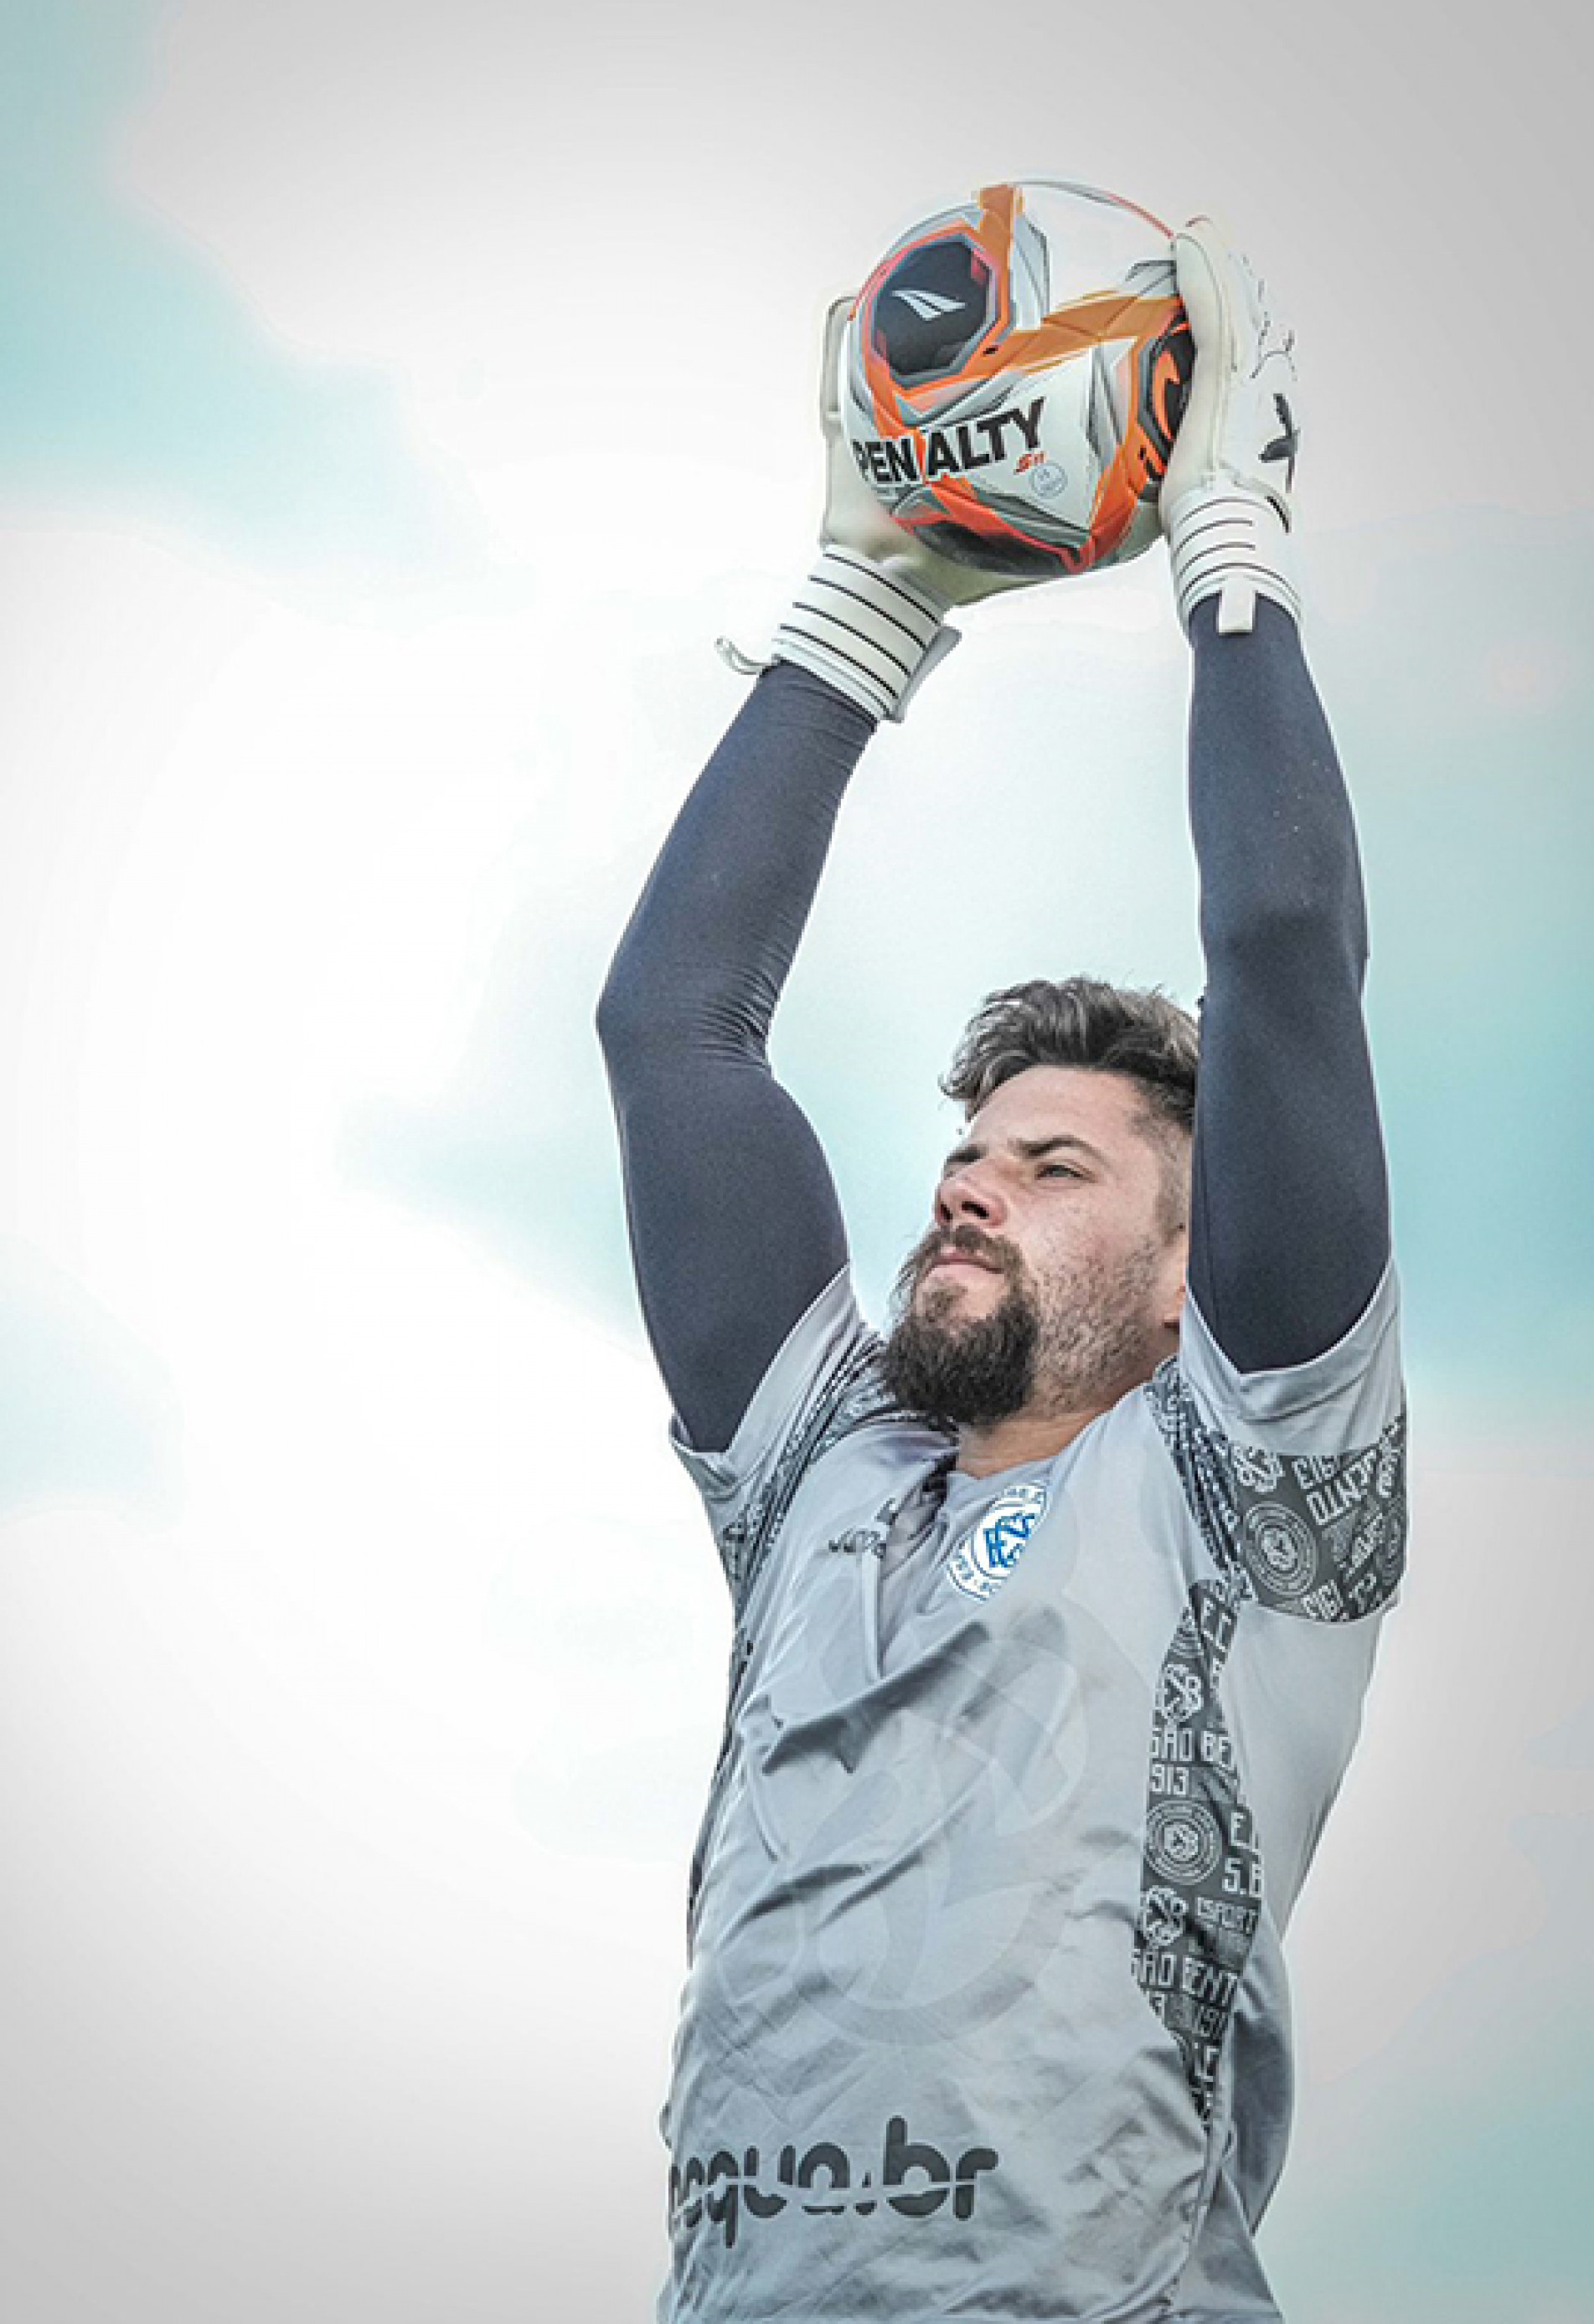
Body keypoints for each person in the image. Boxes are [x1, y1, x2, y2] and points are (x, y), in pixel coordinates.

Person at [596, 215, 1406, 2324]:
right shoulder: (816, 1489)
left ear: (1181, 1271)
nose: (967, 1189)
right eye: (961, 1156)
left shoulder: (1255, 1484)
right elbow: (671, 1030)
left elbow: (1282, 953)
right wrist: (863, 602)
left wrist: (1227, 538)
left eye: (1053, 1166)